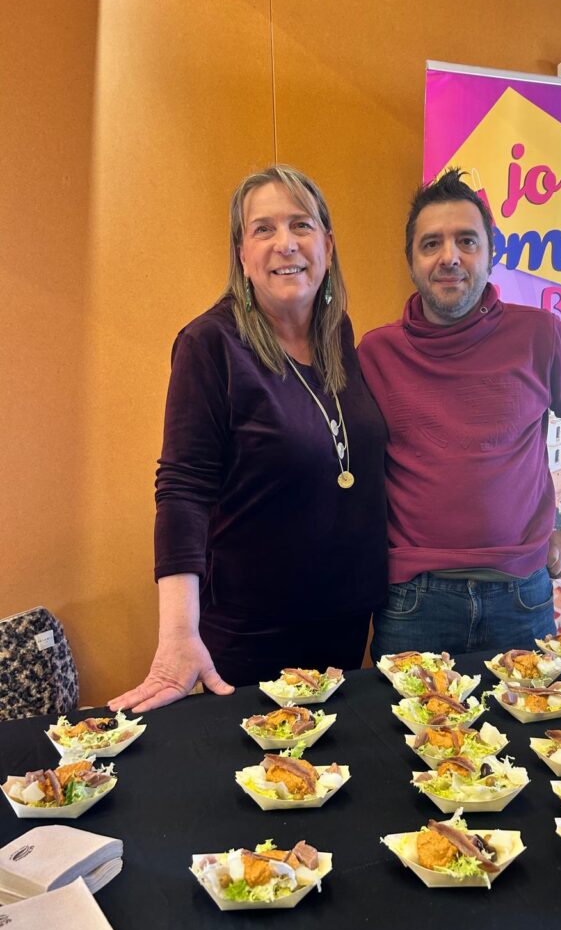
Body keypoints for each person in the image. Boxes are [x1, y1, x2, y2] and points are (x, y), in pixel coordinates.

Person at [109, 166, 387, 711]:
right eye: (264, 229)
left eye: (301, 225)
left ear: (328, 245)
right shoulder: (210, 344)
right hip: (252, 630)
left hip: (347, 619)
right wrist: (177, 633)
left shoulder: (339, 334)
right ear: (242, 254)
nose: (286, 243)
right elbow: (183, 490)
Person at [357, 169, 561, 660]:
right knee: (405, 717)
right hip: (413, 601)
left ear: (490, 255)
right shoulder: (375, 353)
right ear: (411, 261)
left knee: (534, 715)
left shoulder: (540, 336)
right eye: (431, 243)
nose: (450, 257)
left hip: (521, 597)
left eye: (467, 241)